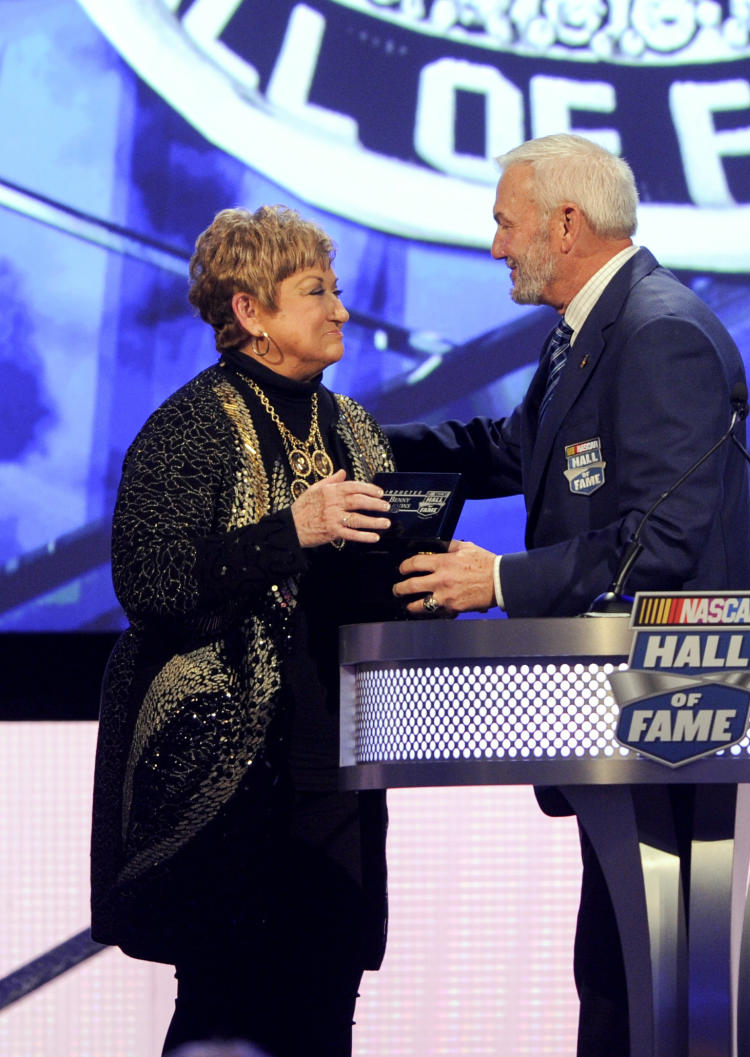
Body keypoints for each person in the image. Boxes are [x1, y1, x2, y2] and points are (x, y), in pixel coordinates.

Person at [389, 134, 750, 1055]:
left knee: (647, 984)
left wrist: (500, 578)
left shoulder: (660, 332)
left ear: (565, 222)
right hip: (625, 721)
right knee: (614, 970)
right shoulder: (594, 331)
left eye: (504, 225)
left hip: (677, 710)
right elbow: (509, 450)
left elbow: (664, 539)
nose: (494, 246)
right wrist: (350, 435)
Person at [90, 205, 396, 1057]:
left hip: (335, 772)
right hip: (220, 786)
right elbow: (147, 581)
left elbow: (365, 578)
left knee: (326, 1002)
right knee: (225, 1006)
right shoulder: (186, 427)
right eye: (315, 292)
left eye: (335, 289)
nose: (340, 309)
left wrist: (430, 578)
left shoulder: (354, 427)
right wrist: (288, 532)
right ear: (250, 312)